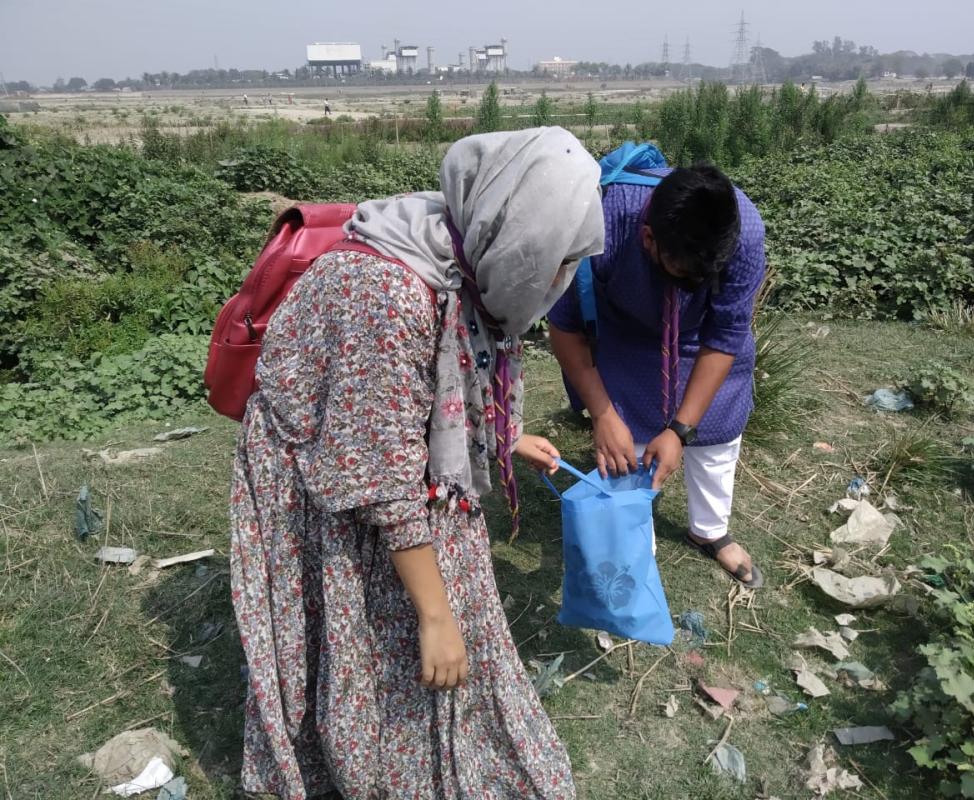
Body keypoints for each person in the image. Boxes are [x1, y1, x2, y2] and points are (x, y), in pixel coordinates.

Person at [230, 127, 604, 799]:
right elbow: (375, 476)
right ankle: (369, 764)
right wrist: (435, 617)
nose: (554, 280)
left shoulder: (454, 245)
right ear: (512, 231)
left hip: (383, 457)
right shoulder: (390, 291)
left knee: (426, 621)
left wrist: (498, 436)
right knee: (383, 632)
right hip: (332, 481)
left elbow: (424, 389)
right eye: (549, 257)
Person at [548, 162, 766, 588]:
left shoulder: (744, 233)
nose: (698, 283)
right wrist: (604, 416)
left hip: (699, 337)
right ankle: (633, 538)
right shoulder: (601, 223)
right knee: (628, 440)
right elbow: (565, 327)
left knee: (719, 431)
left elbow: (726, 335)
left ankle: (709, 529)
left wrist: (680, 431)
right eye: (686, 274)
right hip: (626, 331)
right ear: (649, 239)